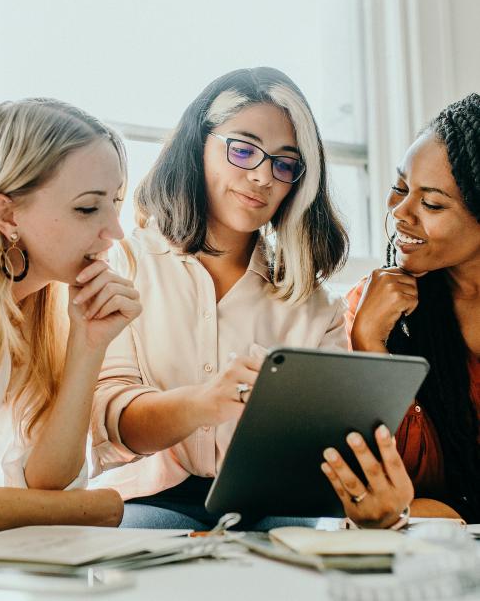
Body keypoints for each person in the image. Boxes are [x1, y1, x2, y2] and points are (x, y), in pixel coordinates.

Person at [92, 67, 413, 530]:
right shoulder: (124, 263)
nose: (263, 176)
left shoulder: (314, 305)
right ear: (198, 146)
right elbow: (113, 420)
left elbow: (329, 447)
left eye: (284, 164)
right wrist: (204, 402)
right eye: (243, 150)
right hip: (146, 503)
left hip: (277, 511)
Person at [0, 98, 141, 531]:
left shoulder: (35, 313)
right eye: (88, 208)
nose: (116, 231)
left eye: (115, 201)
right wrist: (100, 508)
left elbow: (49, 482)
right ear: (7, 215)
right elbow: (66, 505)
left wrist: (88, 346)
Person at [346, 92, 480, 523]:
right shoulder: (371, 307)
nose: (401, 213)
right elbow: (375, 483)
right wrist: (368, 341)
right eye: (400, 188)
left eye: (433, 203)